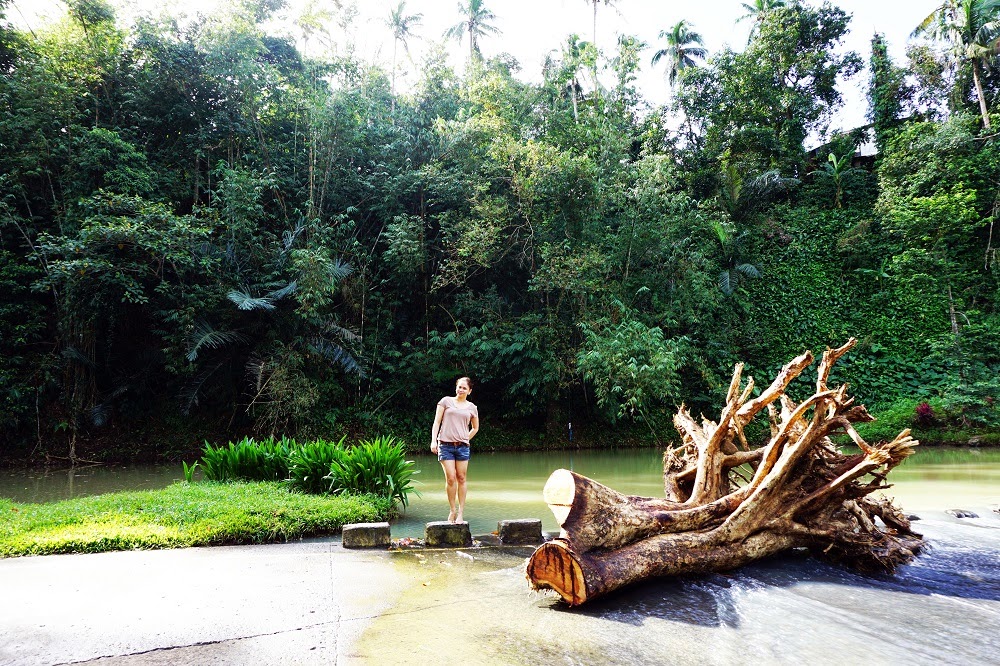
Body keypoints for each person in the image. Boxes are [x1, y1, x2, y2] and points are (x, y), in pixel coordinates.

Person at [430, 376, 479, 523]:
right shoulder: (445, 401)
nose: (461, 390)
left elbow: (475, 428)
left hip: (462, 447)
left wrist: (465, 438)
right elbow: (437, 422)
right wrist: (433, 441)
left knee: (461, 478)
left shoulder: (472, 407)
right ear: (456, 387)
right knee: (451, 478)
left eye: (464, 388)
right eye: (459, 387)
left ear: (469, 391)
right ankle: (452, 510)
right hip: (445, 445)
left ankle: (461, 513)